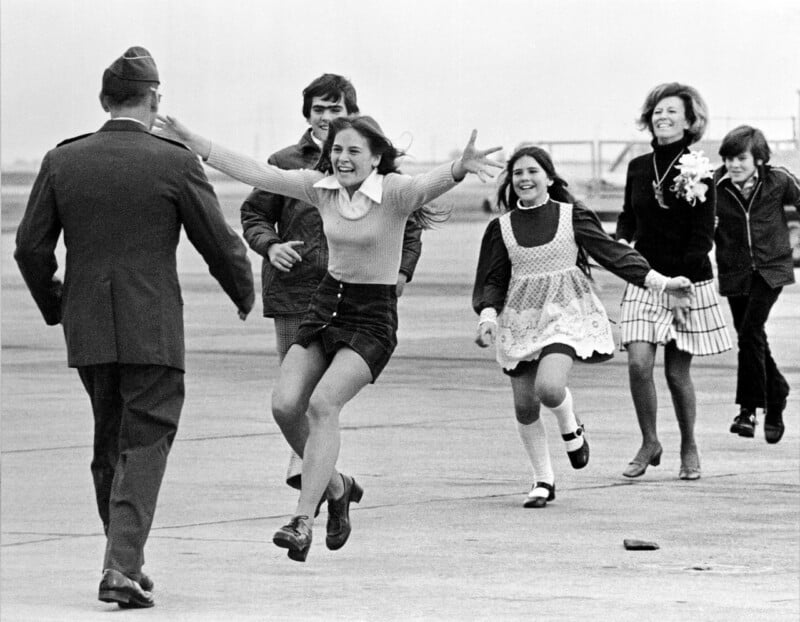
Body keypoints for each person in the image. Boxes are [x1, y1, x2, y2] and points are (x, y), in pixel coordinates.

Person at [158, 112, 501, 561]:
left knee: (323, 405)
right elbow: (258, 172)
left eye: (353, 150)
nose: (342, 158)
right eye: (337, 150)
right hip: (326, 307)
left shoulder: (394, 193)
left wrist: (460, 167)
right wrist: (193, 141)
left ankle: (302, 520)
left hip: (373, 317)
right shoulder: (319, 189)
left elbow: (427, 186)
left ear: (376, 157)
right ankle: (338, 487)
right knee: (284, 405)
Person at [14, 47, 255, 608]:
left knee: (110, 444)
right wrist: (243, 292)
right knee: (146, 441)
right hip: (153, 330)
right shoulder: (173, 160)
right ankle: (120, 565)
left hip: (89, 328)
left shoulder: (61, 160)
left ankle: (123, 559)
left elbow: (29, 247)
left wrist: (57, 303)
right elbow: (217, 240)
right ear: (154, 99)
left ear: (104, 100)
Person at [472, 145, 694, 507]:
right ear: (511, 182)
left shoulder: (570, 216)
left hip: (567, 314)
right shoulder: (502, 227)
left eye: (532, 171)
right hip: (521, 319)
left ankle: (569, 424)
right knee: (525, 408)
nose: (525, 179)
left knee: (549, 386)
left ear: (549, 177)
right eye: (517, 174)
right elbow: (492, 279)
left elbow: (613, 253)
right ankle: (543, 480)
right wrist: (487, 318)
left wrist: (662, 282)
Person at [240, 74, 423, 494]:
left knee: (323, 400)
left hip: (358, 298)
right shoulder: (287, 162)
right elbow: (253, 215)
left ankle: (315, 482)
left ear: (350, 115)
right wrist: (270, 246)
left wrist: (401, 272)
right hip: (295, 291)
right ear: (307, 114)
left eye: (335, 109)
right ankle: (327, 482)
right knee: (292, 395)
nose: (326, 117)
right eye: (318, 109)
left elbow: (409, 228)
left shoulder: (369, 167)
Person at [615, 82, 731, 481]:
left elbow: (702, 235)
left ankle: (689, 444)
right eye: (657, 111)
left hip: (689, 280)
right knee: (638, 363)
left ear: (689, 121)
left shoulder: (700, 169)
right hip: (646, 279)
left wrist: (680, 283)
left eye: (672, 112)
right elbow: (629, 218)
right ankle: (650, 441)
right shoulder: (638, 167)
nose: (662, 118)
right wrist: (620, 246)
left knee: (676, 373)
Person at [714, 125, 799, 444]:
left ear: (759, 159)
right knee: (751, 336)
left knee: (750, 332)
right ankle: (776, 394)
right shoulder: (713, 185)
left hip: (770, 268)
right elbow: (697, 225)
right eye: (728, 158)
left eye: (741, 158)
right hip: (735, 271)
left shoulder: (780, 180)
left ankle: (748, 409)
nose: (733, 165)